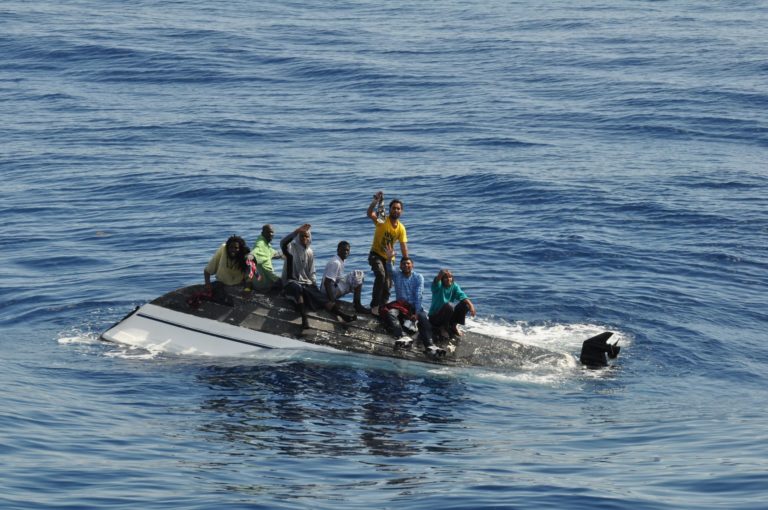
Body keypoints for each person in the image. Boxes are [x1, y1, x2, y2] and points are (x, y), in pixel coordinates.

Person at [281, 224, 356, 330]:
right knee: (298, 289)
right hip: (290, 282)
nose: (304, 238)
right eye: (302, 236)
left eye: (306, 236)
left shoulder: (310, 252)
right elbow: (283, 243)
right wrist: (296, 231)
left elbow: (312, 273)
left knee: (321, 297)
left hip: (305, 283)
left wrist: (314, 286)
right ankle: (304, 320)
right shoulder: (291, 248)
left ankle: (343, 315)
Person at [381, 246, 444, 356]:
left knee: (423, 319)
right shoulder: (397, 275)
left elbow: (418, 296)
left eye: (408, 263)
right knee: (390, 313)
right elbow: (389, 269)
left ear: (412, 265)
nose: (406, 265)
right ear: (400, 266)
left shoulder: (418, 277)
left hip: (414, 307)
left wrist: (416, 313)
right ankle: (402, 336)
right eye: (404, 264)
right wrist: (389, 258)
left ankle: (430, 346)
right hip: (401, 306)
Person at [366, 191, 408, 316]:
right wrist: (375, 201)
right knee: (380, 275)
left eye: (398, 209)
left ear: (402, 211)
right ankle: (374, 306)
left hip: (389, 259)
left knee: (388, 284)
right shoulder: (382, 220)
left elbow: (403, 245)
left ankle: (383, 307)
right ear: (390, 210)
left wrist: (406, 262)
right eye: (394, 208)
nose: (396, 210)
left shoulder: (401, 228)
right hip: (376, 254)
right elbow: (369, 213)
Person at [322, 241, 370, 315]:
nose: (346, 252)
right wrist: (332, 302)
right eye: (343, 250)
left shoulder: (339, 260)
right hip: (327, 294)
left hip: (333, 287)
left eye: (347, 250)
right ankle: (357, 305)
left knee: (359, 274)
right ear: (338, 250)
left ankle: (357, 303)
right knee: (358, 274)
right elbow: (327, 283)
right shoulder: (336, 263)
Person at [202, 235, 252, 305]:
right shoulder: (223, 249)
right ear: (227, 247)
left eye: (236, 248)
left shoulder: (245, 256)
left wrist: (247, 290)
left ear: (240, 249)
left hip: (238, 286)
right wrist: (207, 284)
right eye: (231, 247)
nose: (233, 250)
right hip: (221, 284)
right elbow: (207, 270)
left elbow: (249, 278)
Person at [428, 269, 476, 340]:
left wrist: (471, 306)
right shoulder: (438, 286)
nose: (448, 279)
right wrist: (440, 274)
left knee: (465, 304)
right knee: (449, 306)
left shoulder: (454, 286)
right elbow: (436, 281)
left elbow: (462, 295)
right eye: (446, 277)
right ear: (442, 279)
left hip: (448, 315)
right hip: (435, 317)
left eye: (450, 277)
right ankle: (442, 328)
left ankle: (454, 326)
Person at [250, 224, 283, 292]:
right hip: (262, 286)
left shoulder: (265, 243)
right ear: (262, 233)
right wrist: (251, 256)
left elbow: (273, 253)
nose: (271, 234)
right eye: (268, 232)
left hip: (258, 282)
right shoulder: (261, 244)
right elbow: (256, 250)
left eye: (272, 232)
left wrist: (285, 253)